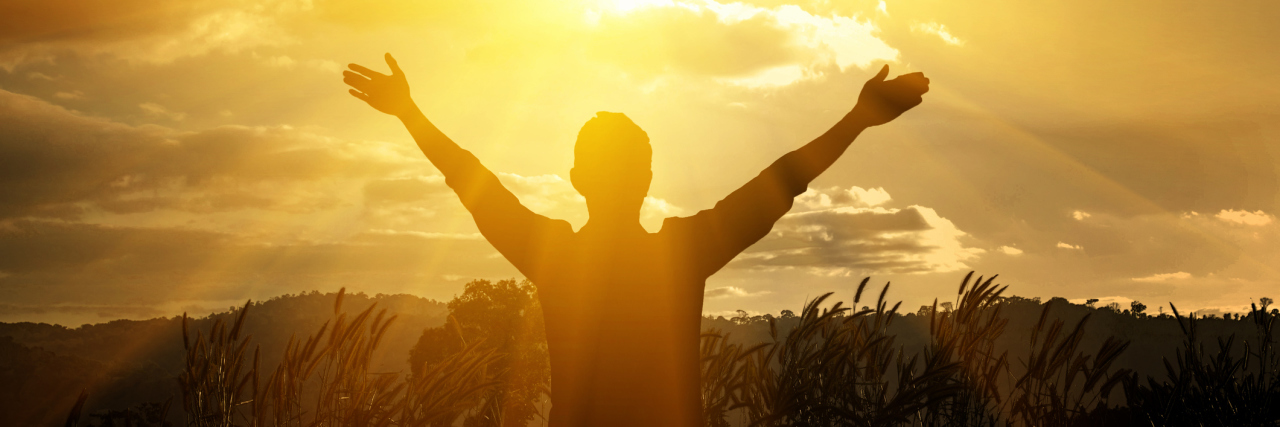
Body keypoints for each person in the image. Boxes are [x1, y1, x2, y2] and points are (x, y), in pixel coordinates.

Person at [343, 53, 928, 427]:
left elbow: (472, 182)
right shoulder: (682, 253)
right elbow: (784, 179)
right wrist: (857, 118)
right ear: (648, 180)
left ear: (576, 179)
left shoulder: (556, 257)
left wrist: (411, 114)